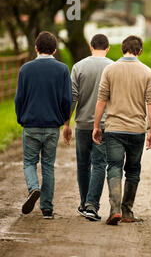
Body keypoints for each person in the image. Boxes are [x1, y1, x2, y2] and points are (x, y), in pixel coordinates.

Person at [93, 35, 151, 226]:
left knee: (113, 166)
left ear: (122, 50)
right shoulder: (147, 72)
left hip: (113, 129)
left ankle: (114, 209)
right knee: (133, 169)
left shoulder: (110, 70)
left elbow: (101, 100)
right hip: (136, 130)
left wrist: (97, 126)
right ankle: (127, 211)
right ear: (140, 51)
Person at [15, 31, 72, 219]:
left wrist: (21, 118)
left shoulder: (25, 69)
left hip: (30, 124)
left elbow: (19, 98)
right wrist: (64, 120)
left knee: (29, 162)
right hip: (51, 126)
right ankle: (47, 208)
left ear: (36, 48)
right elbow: (66, 99)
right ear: (55, 50)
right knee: (48, 165)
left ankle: (33, 188)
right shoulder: (63, 70)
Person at [62, 34, 113, 222]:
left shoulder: (78, 67)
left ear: (91, 46)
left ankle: (84, 203)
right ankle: (92, 205)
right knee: (99, 163)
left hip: (82, 124)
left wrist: (67, 124)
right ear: (107, 48)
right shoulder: (113, 66)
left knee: (83, 164)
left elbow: (72, 96)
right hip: (104, 125)